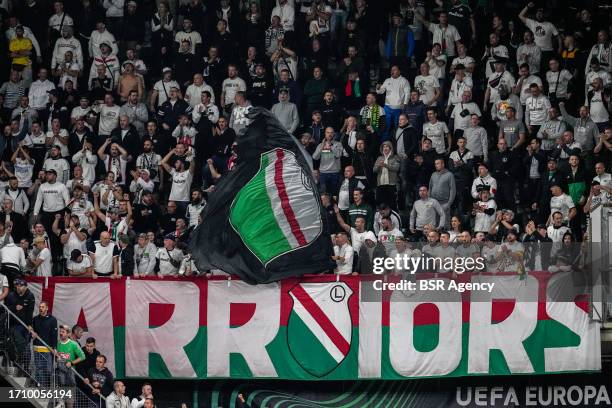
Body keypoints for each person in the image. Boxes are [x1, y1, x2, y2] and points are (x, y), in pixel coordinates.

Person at [30, 300, 58, 388]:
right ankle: (41, 387)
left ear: (47, 308)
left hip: (48, 349)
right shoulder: (35, 319)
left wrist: (54, 348)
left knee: (49, 370)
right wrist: (32, 332)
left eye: (42, 307)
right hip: (37, 347)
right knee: (39, 368)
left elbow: (54, 335)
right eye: (40, 307)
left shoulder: (52, 319)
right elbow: (31, 330)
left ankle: (47, 387)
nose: (40, 308)